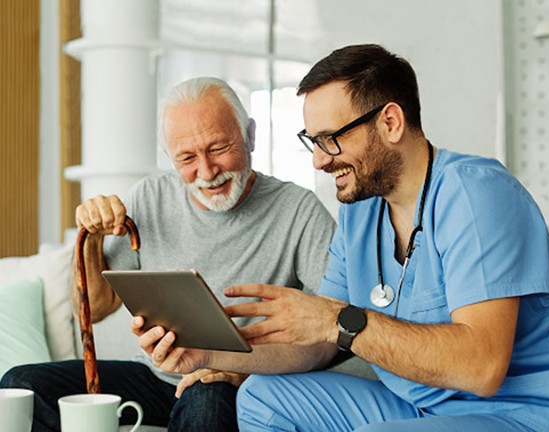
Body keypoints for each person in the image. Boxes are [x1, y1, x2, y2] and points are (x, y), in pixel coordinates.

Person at [138, 45, 549, 432]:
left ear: (389, 122)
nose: (319, 162)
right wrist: (208, 355)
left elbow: (482, 367)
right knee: (261, 399)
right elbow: (314, 344)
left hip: (519, 412)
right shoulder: (361, 212)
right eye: (313, 142)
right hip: (417, 404)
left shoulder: (477, 195)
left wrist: (338, 319)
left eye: (330, 140)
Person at [0, 77, 336, 431]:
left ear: (250, 135)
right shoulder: (149, 196)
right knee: (22, 383)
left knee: (207, 395)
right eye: (187, 158)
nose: (206, 172)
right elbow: (95, 309)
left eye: (219, 148)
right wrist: (94, 239)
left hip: (237, 380)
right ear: (170, 158)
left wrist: (247, 368)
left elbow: (334, 325)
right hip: (156, 375)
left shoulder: (298, 209)